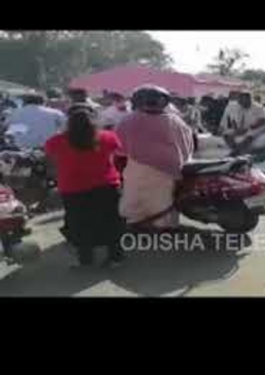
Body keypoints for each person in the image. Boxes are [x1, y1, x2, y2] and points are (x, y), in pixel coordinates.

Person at [44, 103, 126, 268]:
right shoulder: (108, 136)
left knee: (80, 225)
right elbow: (117, 153)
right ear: (93, 120)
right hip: (107, 186)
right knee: (111, 223)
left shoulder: (56, 141)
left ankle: (86, 260)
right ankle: (116, 258)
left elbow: (51, 159)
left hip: (73, 189)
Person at [116, 85, 195, 229]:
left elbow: (119, 147)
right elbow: (188, 144)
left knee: (136, 196)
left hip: (138, 167)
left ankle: (138, 222)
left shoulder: (129, 120)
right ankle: (163, 225)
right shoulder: (175, 120)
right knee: (163, 197)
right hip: (170, 168)